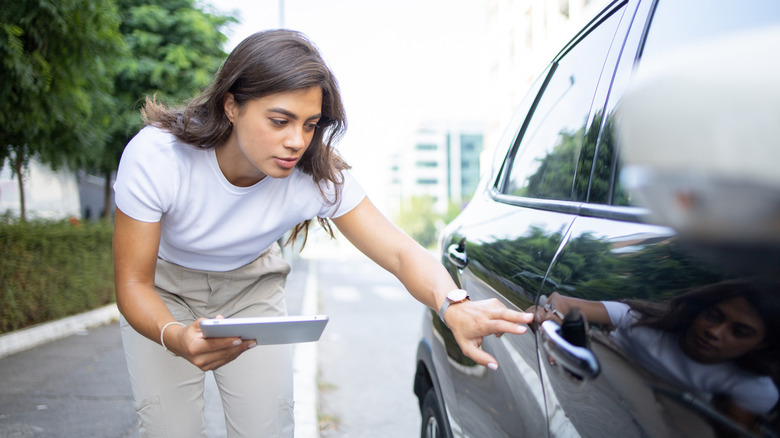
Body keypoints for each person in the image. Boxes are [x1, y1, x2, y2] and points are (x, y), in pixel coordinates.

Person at [112, 29, 533, 437]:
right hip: (163, 290)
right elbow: (132, 283)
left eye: (310, 124)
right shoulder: (157, 157)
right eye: (280, 121)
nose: (297, 141)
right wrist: (175, 335)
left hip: (249, 290)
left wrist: (452, 304)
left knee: (268, 428)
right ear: (231, 105)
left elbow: (400, 252)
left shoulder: (315, 173)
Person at [535, 278, 780, 432]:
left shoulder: (754, 388)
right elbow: (562, 304)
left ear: (761, 344)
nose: (714, 332)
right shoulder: (639, 321)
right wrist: (554, 317)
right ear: (700, 308)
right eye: (714, 316)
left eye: (740, 332)